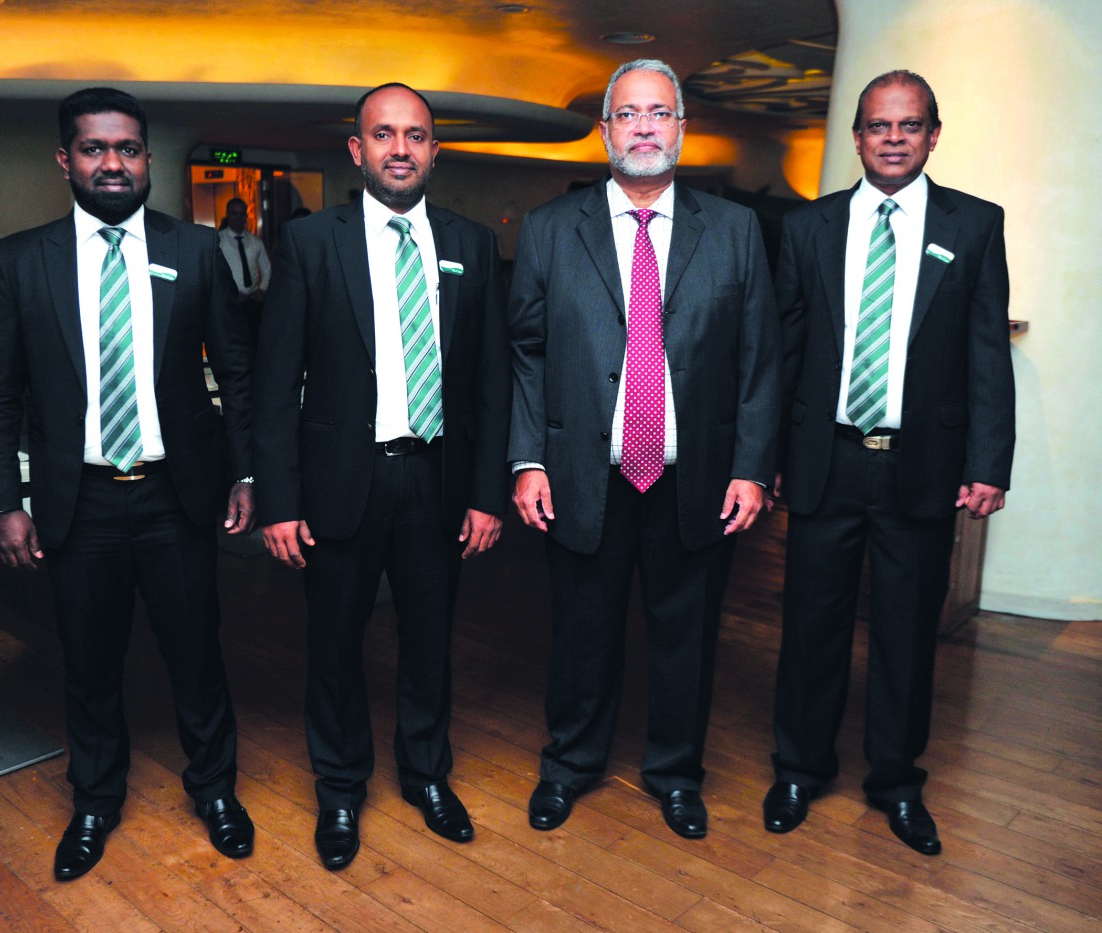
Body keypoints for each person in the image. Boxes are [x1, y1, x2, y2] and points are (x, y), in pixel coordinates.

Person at [0, 87, 257, 881]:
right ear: (65, 159)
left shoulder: (197, 253)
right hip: (81, 501)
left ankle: (217, 792)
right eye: (95, 149)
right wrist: (5, 500)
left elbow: (237, 374)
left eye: (127, 149)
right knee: (89, 661)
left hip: (176, 495)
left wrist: (246, 469)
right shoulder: (21, 259)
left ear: (147, 160)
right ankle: (95, 801)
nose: (112, 163)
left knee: (197, 653)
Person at [508, 59, 779, 839]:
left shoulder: (732, 231)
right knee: (581, 633)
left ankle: (675, 775)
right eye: (629, 114)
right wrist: (527, 458)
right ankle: (569, 766)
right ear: (605, 132)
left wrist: (752, 467)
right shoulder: (552, 230)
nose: (646, 127)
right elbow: (525, 351)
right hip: (580, 475)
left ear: (683, 130)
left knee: (685, 641)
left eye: (660, 113)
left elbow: (761, 359)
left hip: (693, 478)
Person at [253, 83, 510, 870]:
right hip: (341, 483)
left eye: (417, 135)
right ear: (356, 150)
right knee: (334, 645)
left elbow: (492, 380)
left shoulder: (471, 242)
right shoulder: (308, 243)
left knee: (430, 641)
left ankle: (428, 775)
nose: (401, 148)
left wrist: (486, 493)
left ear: (436, 150)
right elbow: (272, 384)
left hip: (435, 481)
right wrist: (280, 498)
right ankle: (339, 790)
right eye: (384, 134)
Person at [764, 70, 1014, 855]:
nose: (894, 137)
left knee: (908, 634)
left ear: (934, 134)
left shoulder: (973, 225)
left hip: (923, 465)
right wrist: (764, 456)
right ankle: (800, 769)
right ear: (859, 137)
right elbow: (784, 350)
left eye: (909, 125)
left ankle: (897, 783)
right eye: (878, 125)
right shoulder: (808, 228)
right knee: (810, 626)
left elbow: (986, 354)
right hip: (825, 461)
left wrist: (989, 461)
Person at [217, 196, 271, 347]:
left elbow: (267, 270)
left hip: (253, 302)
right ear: (227, 214)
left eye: (242, 214)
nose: (238, 218)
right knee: (233, 344)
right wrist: (230, 293)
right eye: (234, 213)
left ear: (246, 216)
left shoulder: (255, 242)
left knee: (255, 342)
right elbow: (216, 274)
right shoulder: (219, 241)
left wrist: (262, 290)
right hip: (230, 303)